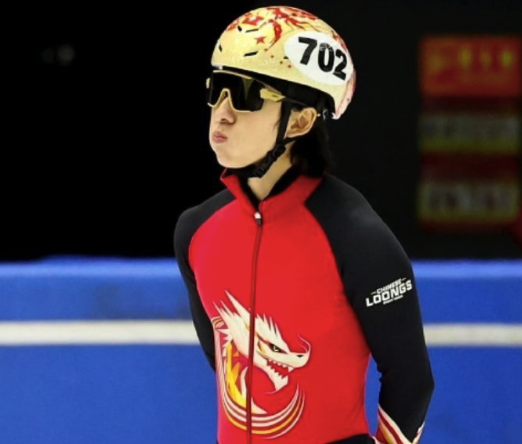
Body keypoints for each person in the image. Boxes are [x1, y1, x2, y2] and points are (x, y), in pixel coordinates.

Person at [174, 5, 434, 444]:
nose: (223, 112)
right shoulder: (196, 230)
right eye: (217, 90)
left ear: (300, 120)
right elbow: (224, 363)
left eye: (247, 95)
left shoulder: (356, 237)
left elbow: (411, 381)